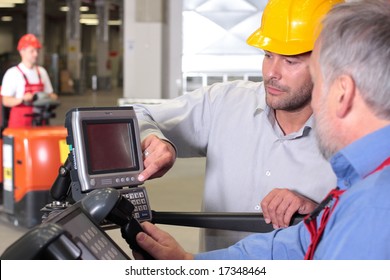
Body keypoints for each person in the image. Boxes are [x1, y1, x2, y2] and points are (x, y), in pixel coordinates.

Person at [132, 0, 390, 260]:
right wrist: (153, 140)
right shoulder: (225, 102)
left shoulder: (360, 176)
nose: (271, 73)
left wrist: (320, 216)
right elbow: (296, 243)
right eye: (267, 55)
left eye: (291, 61)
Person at [1, 33, 58, 128]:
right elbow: (5, 101)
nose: (36, 54)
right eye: (32, 51)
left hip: (40, 123)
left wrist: (46, 96)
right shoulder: (13, 73)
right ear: (22, 52)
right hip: (19, 126)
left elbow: (52, 95)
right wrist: (22, 99)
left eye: (37, 51)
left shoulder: (42, 72)